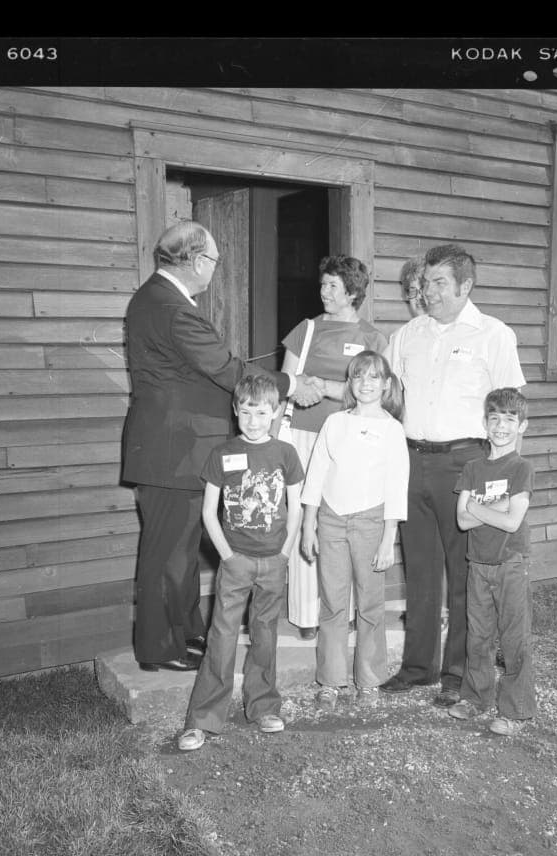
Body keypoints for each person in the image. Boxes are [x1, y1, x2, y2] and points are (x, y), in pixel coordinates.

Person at [122, 221, 319, 673]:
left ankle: (183, 632)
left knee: (182, 552)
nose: (214, 269)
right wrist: (290, 384)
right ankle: (158, 649)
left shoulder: (157, 299)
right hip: (173, 453)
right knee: (167, 555)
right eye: (212, 260)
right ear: (195, 261)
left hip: (175, 450)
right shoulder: (174, 308)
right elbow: (227, 371)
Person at [381, 244, 526, 708]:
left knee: (465, 572)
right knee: (420, 570)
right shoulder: (408, 334)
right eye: (426, 282)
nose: (429, 291)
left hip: (467, 463)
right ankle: (418, 667)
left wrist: (508, 480)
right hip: (412, 459)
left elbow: (512, 409)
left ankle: (458, 671)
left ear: (465, 286)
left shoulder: (494, 335)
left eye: (439, 282)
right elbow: (383, 394)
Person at [177, 374, 305, 751]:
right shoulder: (221, 453)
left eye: (261, 412)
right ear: (235, 412)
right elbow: (208, 511)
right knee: (221, 636)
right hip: (236, 563)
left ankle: (264, 705)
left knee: (265, 635)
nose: (253, 420)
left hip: (273, 561)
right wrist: (227, 556)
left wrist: (284, 552)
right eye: (246, 412)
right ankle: (202, 719)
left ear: (276, 412)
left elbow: (295, 507)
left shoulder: (285, 454)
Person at [280, 256, 387, 641]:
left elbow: (372, 391)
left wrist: (324, 386)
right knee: (305, 515)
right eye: (323, 285)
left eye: (333, 287)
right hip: (306, 435)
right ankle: (308, 614)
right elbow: (286, 383)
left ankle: (349, 610)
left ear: (353, 293)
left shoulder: (374, 339)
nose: (324, 293)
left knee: (346, 517)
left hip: (350, 440)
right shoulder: (306, 330)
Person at [300, 351, 409, 709]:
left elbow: (396, 486)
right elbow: (316, 476)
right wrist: (308, 526)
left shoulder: (393, 429)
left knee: (370, 604)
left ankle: (369, 680)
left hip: (370, 523)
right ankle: (331, 680)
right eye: (359, 377)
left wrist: (388, 538)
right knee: (332, 603)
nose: (366, 383)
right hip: (331, 519)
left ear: (386, 384)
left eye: (374, 377)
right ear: (350, 383)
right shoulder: (335, 422)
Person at [448, 388, 536, 736]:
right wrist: (498, 508)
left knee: (514, 638)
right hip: (478, 564)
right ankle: (476, 698)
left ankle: (515, 710)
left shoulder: (521, 467)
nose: (502, 426)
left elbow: (513, 522)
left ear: (522, 427)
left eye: (510, 420)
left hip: (511, 564)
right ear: (485, 424)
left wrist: (478, 508)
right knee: (478, 636)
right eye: (495, 418)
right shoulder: (472, 468)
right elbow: (462, 521)